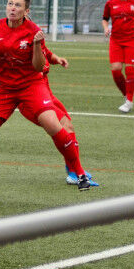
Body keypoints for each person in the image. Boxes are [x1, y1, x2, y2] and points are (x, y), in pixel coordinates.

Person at [0, 0, 92, 199]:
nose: (12, 8)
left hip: (31, 86)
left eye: (17, 5)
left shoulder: (33, 31)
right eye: (10, 4)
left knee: (54, 125)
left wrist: (36, 45)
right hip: (4, 89)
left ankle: (79, 174)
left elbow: (37, 67)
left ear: (26, 11)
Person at [18, 45, 99, 187]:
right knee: (61, 129)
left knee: (67, 126)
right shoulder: (20, 49)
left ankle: (73, 169)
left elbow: (47, 53)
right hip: (32, 99)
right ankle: (74, 173)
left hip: (46, 94)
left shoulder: (37, 41)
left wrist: (57, 59)